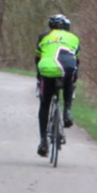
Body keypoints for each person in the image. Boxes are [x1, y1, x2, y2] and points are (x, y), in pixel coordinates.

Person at [35, 14, 81, 157]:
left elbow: (37, 58)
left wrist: (39, 77)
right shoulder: (74, 38)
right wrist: (74, 79)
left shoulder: (43, 36)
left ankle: (43, 140)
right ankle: (67, 110)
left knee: (44, 104)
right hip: (66, 70)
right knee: (69, 78)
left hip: (47, 71)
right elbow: (77, 61)